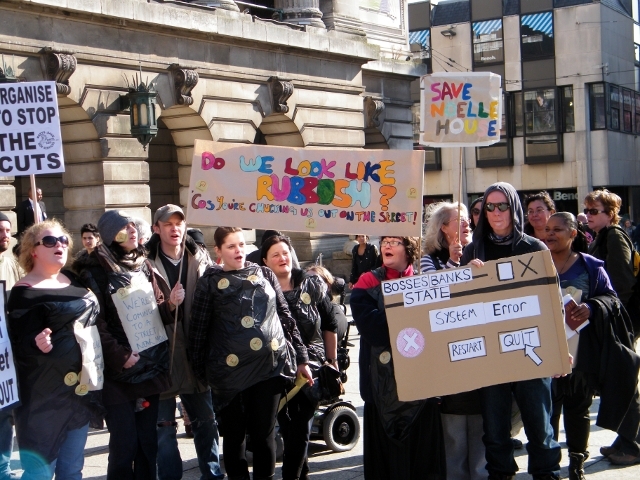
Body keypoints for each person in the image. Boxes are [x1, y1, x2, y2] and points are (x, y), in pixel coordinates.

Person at [189, 227, 312, 480]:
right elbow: (198, 329)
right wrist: (200, 371)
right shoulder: (209, 283)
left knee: (264, 434)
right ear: (219, 251)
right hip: (228, 373)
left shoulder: (264, 272)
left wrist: (302, 358)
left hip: (269, 368)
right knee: (234, 436)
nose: (238, 251)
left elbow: (285, 317)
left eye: (242, 245)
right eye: (232, 246)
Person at [460, 182, 561, 480]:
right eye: (489, 207)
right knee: (495, 430)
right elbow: (458, 306)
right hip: (492, 356)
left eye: (502, 205)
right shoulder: (472, 250)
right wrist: (466, 276)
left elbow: (552, 300)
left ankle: (547, 474)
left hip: (531, 351)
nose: (495, 212)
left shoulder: (534, 247)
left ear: (514, 208)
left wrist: (559, 348)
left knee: (540, 428)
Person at [74, 210, 178, 480]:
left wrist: (171, 305)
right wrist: (120, 356)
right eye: (124, 227)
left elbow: (155, 312)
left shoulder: (143, 264)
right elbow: (93, 321)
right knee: (124, 445)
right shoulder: (93, 271)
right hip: (118, 373)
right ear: (110, 235)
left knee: (147, 443)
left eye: (134, 225)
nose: (133, 231)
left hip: (149, 366)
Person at [8, 219, 101, 480]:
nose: (58, 245)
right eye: (49, 241)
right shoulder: (24, 292)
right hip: (42, 399)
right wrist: (35, 343)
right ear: (33, 250)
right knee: (39, 471)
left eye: (62, 240)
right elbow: (16, 343)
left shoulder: (73, 277)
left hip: (79, 392)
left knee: (72, 470)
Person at [350, 235, 446, 480]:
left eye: (394, 241)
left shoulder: (428, 282)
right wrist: (411, 309)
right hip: (380, 389)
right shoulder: (366, 282)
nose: (387, 246)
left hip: (422, 391)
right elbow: (374, 330)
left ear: (409, 248)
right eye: (384, 241)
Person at [146, 204, 224, 480]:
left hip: (196, 357)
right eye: (167, 224)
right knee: (164, 430)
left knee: (207, 424)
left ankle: (213, 476)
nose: (174, 228)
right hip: (163, 359)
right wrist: (168, 304)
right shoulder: (145, 264)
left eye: (179, 222)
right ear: (156, 228)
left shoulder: (200, 258)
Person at [545, 212, 618, 479]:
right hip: (543, 351)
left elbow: (612, 299)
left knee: (577, 408)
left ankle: (577, 461)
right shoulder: (534, 264)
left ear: (573, 233)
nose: (550, 234)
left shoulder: (591, 266)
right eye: (547, 229)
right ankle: (549, 463)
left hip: (581, 352)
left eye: (558, 229)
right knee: (547, 409)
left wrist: (591, 306)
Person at [262, 235, 338, 480]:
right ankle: (300, 473)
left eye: (285, 252)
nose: (282, 258)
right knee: (290, 429)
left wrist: (332, 360)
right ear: (265, 261)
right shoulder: (261, 290)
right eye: (275, 254)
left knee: (300, 430)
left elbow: (330, 323)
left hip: (311, 370)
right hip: (278, 370)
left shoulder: (311, 283)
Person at [421, 202, 484, 480]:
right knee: (454, 435)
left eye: (468, 219)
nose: (467, 224)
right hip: (447, 354)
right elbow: (428, 294)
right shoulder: (428, 258)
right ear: (443, 227)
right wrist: (454, 264)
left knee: (482, 430)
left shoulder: (481, 251)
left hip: (479, 351)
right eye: (459, 220)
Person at [583, 189, 640, 463]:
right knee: (620, 378)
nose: (588, 215)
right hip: (616, 317)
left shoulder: (615, 237)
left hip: (621, 318)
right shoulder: (603, 236)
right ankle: (625, 440)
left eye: (594, 211)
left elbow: (622, 282)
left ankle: (631, 445)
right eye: (588, 210)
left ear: (610, 214)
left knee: (625, 379)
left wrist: (612, 314)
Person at [0, 213, 21, 480]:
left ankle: (3, 468)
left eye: (8, 230)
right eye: (0, 230)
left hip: (7, 350)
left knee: (5, 414)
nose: (5, 235)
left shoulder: (12, 262)